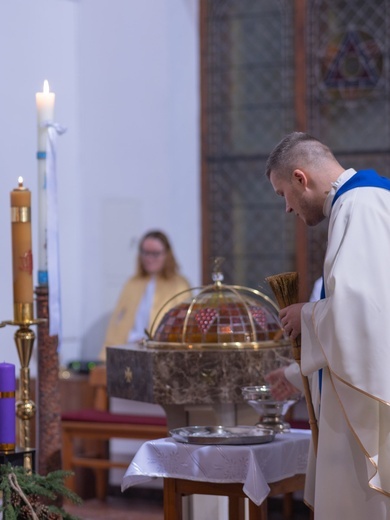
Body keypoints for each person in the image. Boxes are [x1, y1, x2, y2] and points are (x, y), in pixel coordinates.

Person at [264, 132, 390, 519]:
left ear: (301, 179)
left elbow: (365, 314)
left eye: (283, 192)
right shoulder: (362, 201)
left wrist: (305, 314)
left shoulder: (360, 205)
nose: (287, 208)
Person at [100, 230, 190, 360]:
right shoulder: (132, 283)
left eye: (155, 254)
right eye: (145, 252)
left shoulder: (179, 285)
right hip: (130, 352)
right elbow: (117, 324)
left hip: (162, 357)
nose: (149, 258)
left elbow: (183, 326)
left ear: (167, 255)